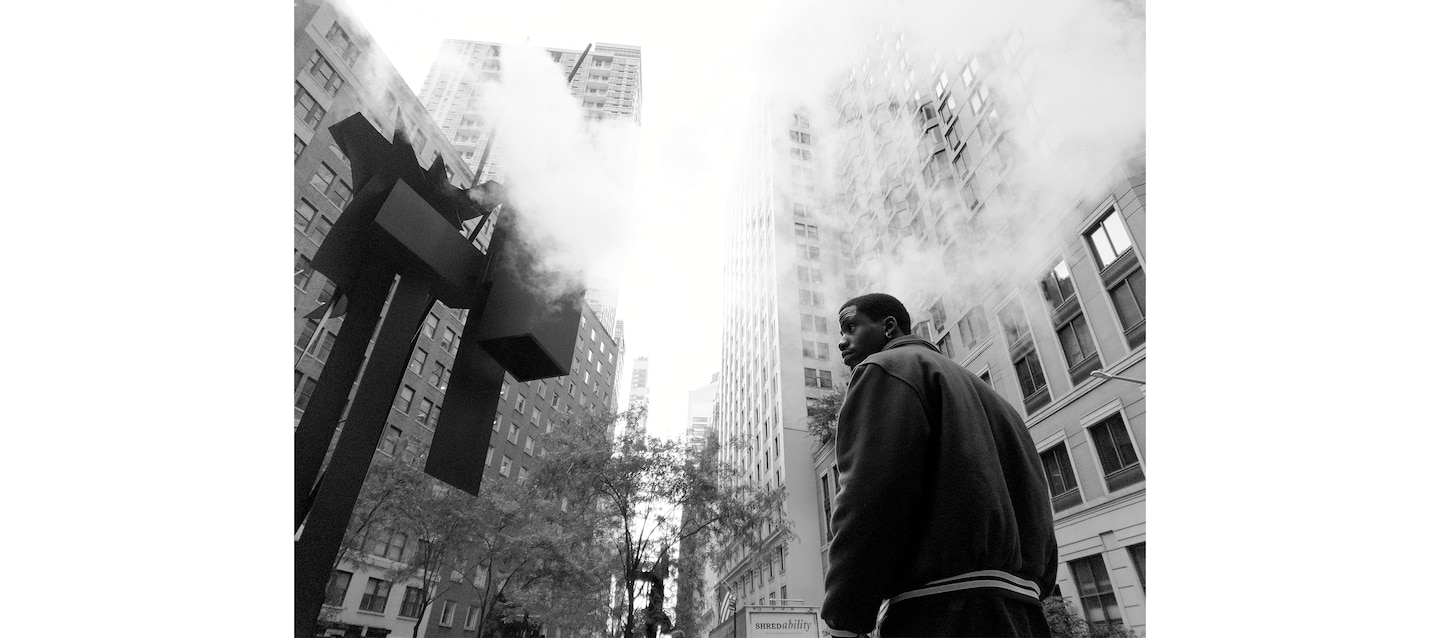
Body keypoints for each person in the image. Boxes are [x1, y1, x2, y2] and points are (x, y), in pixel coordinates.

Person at [821, 293, 1058, 638]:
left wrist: (845, 617)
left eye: (850, 326)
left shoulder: (884, 370)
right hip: (1026, 616)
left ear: (889, 326)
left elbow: (869, 500)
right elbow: (1040, 506)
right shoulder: (998, 402)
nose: (842, 341)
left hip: (942, 615)